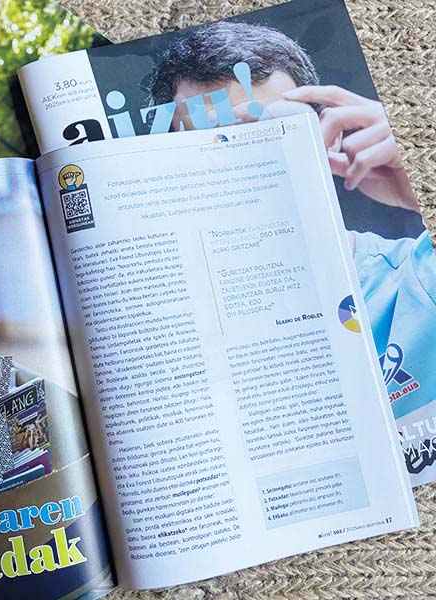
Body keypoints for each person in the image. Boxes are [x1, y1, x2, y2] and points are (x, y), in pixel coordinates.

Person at [148, 21, 436, 422]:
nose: (247, 168)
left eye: (273, 130)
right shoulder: (161, 345)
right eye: (209, 146)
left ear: (331, 136)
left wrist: (422, 187)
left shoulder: (420, 277)